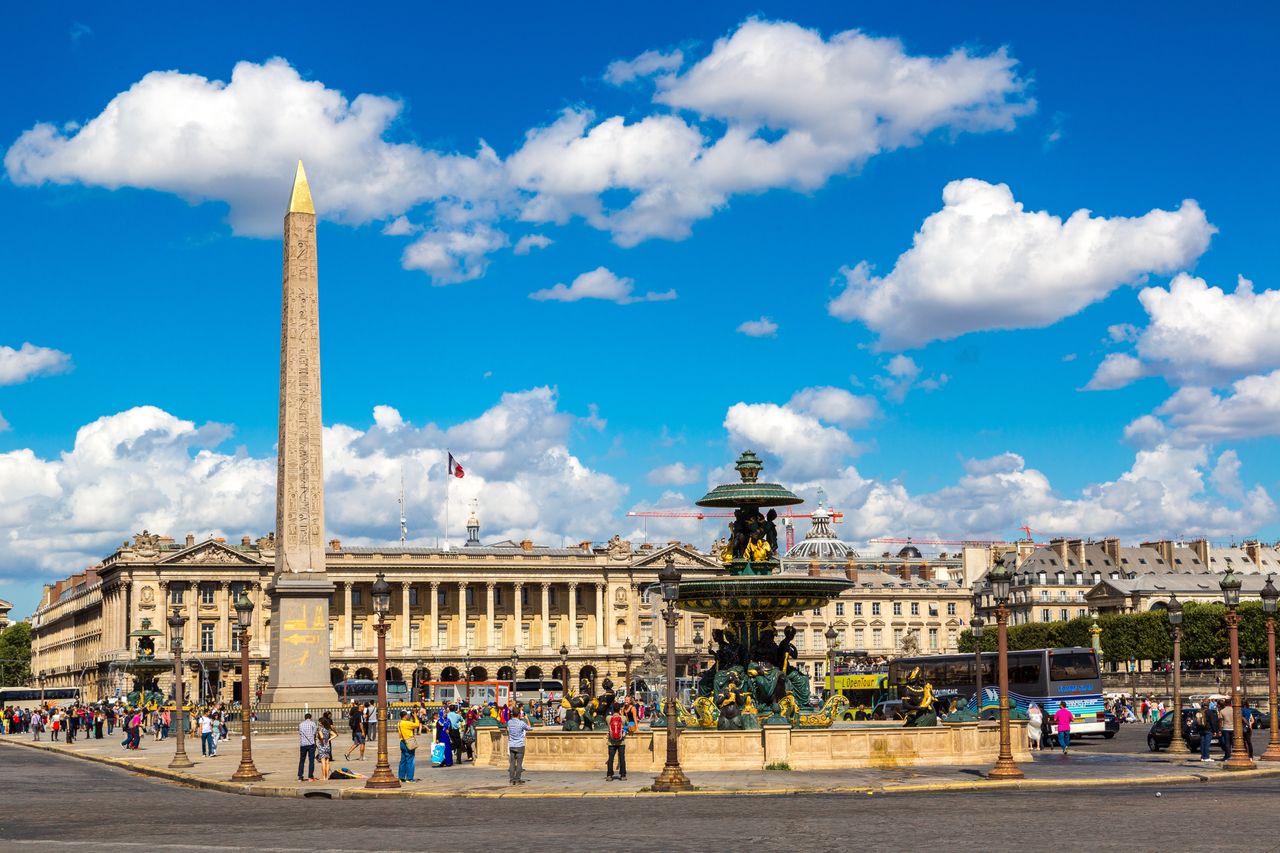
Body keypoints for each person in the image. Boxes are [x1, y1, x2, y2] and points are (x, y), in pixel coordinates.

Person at [507, 705, 530, 786]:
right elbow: (529, 728)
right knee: (519, 763)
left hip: (512, 745)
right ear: (519, 714)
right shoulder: (521, 723)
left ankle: (511, 779)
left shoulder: (509, 722)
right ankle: (517, 779)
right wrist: (527, 719)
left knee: (512, 763)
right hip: (520, 745)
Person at [397, 710, 420, 783]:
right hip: (409, 742)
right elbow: (417, 725)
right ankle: (409, 778)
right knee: (410, 760)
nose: (408, 716)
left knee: (403, 760)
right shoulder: (407, 723)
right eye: (407, 715)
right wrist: (415, 717)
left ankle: (401, 777)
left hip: (402, 742)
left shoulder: (399, 723)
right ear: (405, 716)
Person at [605, 703, 627, 781]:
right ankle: (623, 775)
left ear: (613, 709)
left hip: (611, 742)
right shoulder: (623, 718)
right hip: (621, 742)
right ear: (620, 709)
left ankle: (609, 775)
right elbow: (626, 726)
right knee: (622, 758)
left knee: (611, 758)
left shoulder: (608, 718)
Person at [298, 712, 318, 782]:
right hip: (311, 744)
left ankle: (300, 777)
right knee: (311, 761)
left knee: (302, 761)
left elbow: (300, 733)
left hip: (303, 744)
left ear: (305, 718)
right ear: (310, 717)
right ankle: (310, 776)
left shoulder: (301, 724)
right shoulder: (313, 724)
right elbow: (315, 734)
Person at [315, 713, 335, 781]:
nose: (319, 723)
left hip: (322, 746)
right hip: (327, 745)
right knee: (327, 761)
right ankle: (327, 777)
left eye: (319, 722)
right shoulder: (328, 729)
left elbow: (322, 737)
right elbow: (335, 735)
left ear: (321, 723)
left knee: (323, 762)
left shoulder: (321, 729)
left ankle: (324, 777)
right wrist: (329, 739)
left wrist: (321, 738)